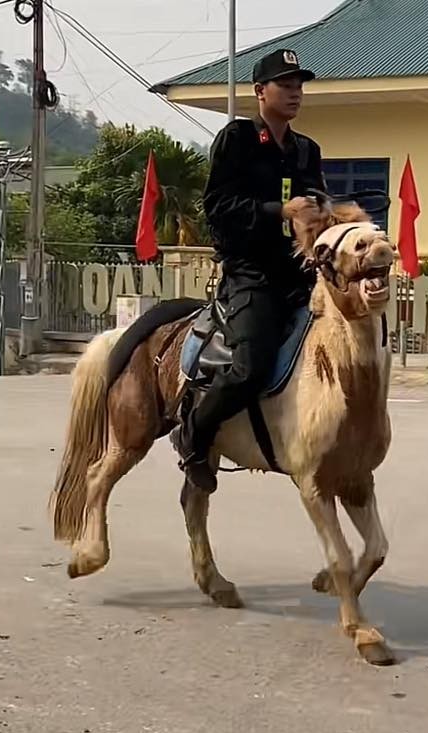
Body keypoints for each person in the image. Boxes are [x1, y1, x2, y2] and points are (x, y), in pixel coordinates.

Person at [171, 49, 328, 493]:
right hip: (251, 274)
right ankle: (195, 436)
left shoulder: (306, 150)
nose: (295, 93)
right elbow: (218, 209)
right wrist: (280, 210)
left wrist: (328, 218)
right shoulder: (236, 140)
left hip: (299, 274)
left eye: (299, 85)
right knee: (250, 364)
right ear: (260, 92)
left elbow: (316, 204)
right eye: (285, 84)